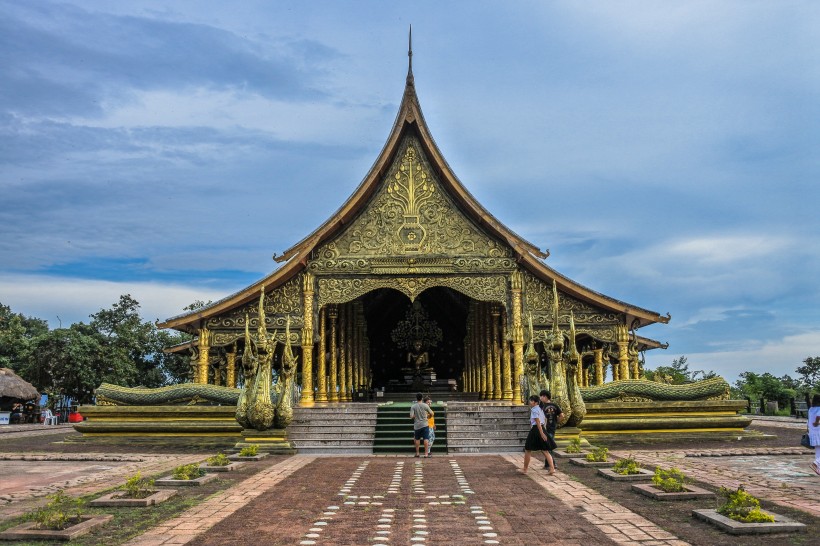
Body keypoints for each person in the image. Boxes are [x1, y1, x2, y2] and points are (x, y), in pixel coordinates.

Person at [521, 395, 556, 474]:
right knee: (544, 450)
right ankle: (552, 468)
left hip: (536, 429)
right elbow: (545, 420)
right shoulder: (540, 409)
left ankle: (525, 469)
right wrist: (544, 430)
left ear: (535, 402)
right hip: (541, 428)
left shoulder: (534, 410)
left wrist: (542, 433)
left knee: (528, 448)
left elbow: (537, 421)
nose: (530, 402)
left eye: (531, 400)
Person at [539, 389, 564, 470]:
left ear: (545, 397)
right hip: (552, 428)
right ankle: (547, 464)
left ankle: (553, 464)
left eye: (541, 396)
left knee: (548, 447)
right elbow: (562, 416)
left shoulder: (542, 407)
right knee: (547, 446)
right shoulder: (555, 405)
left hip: (546, 428)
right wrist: (556, 422)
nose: (540, 398)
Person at [409, 392, 434, 458]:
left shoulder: (413, 406)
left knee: (417, 439)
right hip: (425, 424)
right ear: (422, 398)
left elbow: (411, 416)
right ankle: (426, 454)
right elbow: (431, 413)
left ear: (416, 398)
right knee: (426, 438)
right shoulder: (425, 405)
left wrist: (416, 416)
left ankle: (417, 453)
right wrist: (429, 416)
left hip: (417, 425)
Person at [809, 393, 820, 476]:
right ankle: (816, 463)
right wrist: (817, 422)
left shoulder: (811, 409)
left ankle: (818, 468)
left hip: (813, 432)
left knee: (818, 451)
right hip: (819, 429)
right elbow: (818, 416)